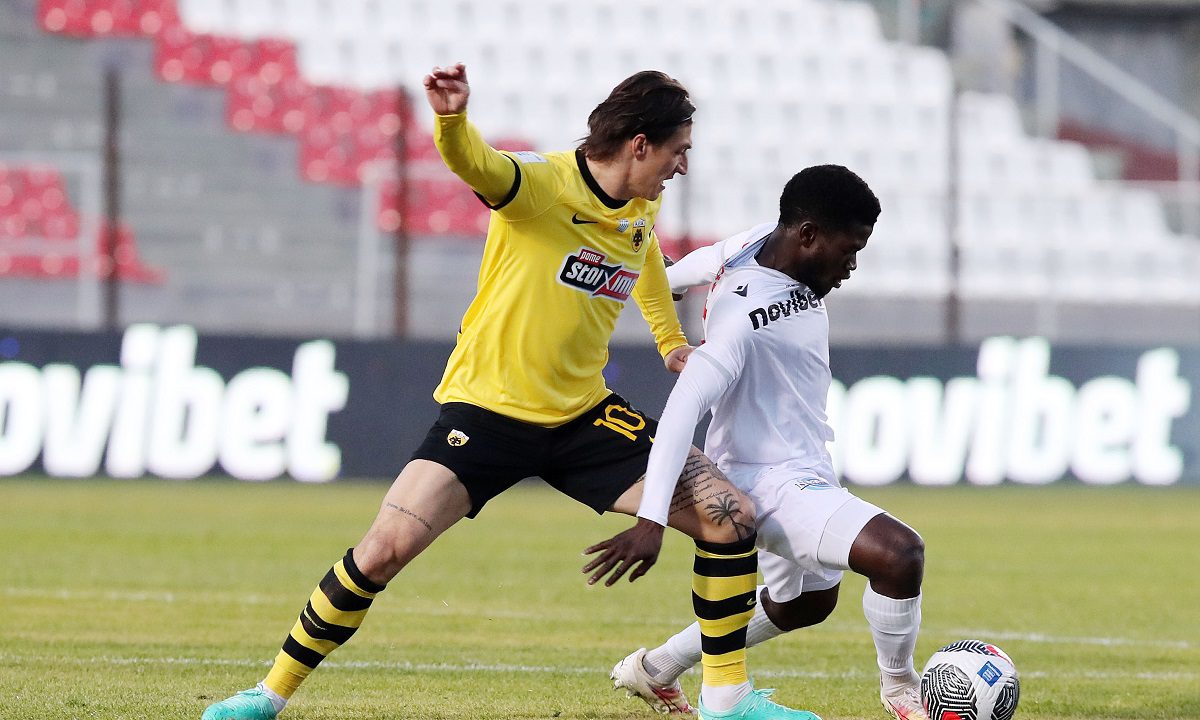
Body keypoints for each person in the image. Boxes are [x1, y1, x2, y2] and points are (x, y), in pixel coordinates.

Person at [202, 64, 816, 720]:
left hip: (583, 416)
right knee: (381, 552)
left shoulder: (641, 202)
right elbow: (476, 164)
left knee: (730, 517)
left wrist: (670, 341)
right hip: (487, 414)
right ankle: (267, 697)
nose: (682, 166)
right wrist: (451, 119)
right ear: (640, 145)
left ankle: (727, 702)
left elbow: (643, 260)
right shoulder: (542, 185)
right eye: (678, 151)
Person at [602, 165, 929, 720]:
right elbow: (681, 411)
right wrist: (652, 518)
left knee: (806, 603)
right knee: (900, 555)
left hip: (807, 465)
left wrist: (660, 282)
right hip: (767, 480)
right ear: (809, 235)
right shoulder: (744, 322)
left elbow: (696, 264)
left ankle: (656, 667)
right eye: (848, 251)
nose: (851, 267)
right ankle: (901, 691)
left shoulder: (756, 243)